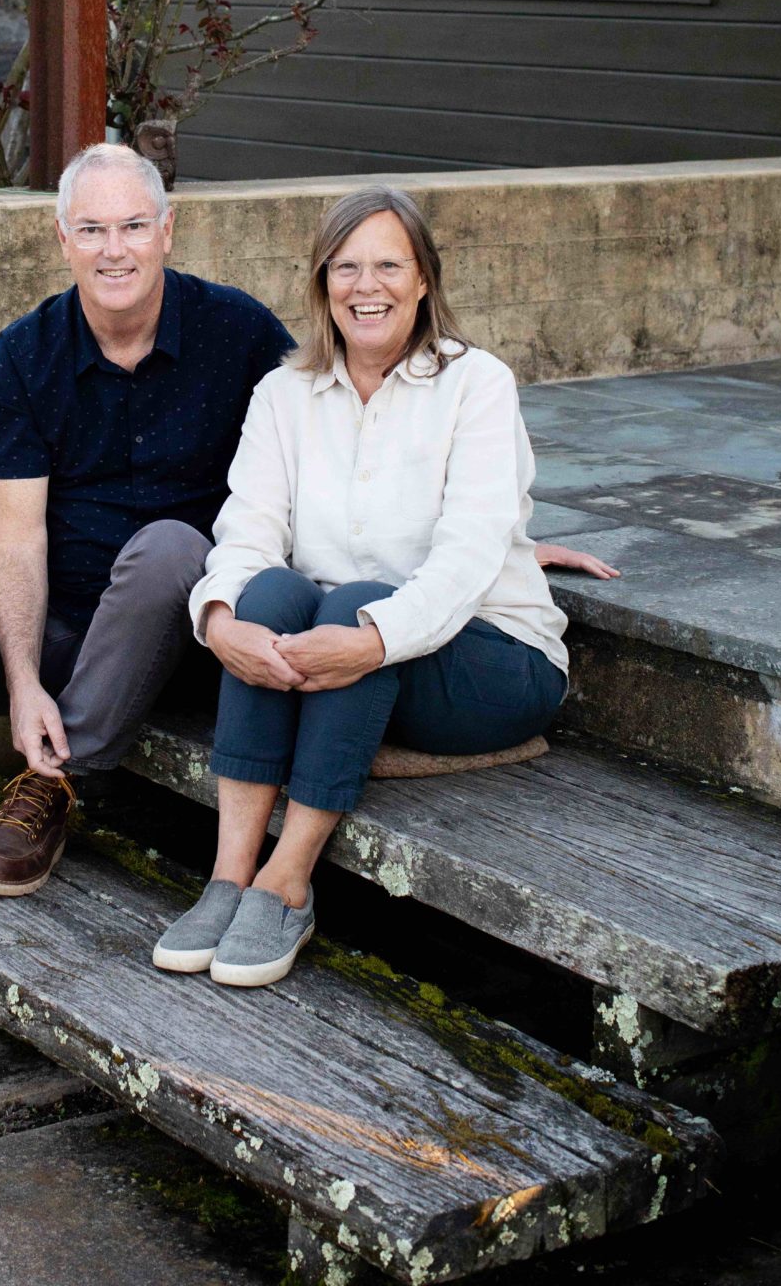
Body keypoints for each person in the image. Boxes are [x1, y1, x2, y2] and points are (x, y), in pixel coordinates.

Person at [0, 150, 616, 1062]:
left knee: (174, 554)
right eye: (93, 229)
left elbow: (386, 480)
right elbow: (24, 533)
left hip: (188, 629)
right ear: (62, 239)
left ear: (166, 231)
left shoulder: (238, 336)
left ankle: (68, 786)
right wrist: (25, 678)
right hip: (77, 620)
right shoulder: (41, 354)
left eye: (133, 226)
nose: (115, 249)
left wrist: (502, 540)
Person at [153, 186, 575, 992]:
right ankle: (228, 877)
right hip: (344, 650)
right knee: (266, 592)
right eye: (345, 267)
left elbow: (465, 557)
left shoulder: (476, 385)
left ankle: (288, 882)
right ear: (322, 284)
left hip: (490, 660)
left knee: (353, 601)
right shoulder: (283, 394)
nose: (365, 285)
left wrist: (373, 636)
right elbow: (245, 529)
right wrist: (218, 621)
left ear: (423, 281)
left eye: (388, 264)